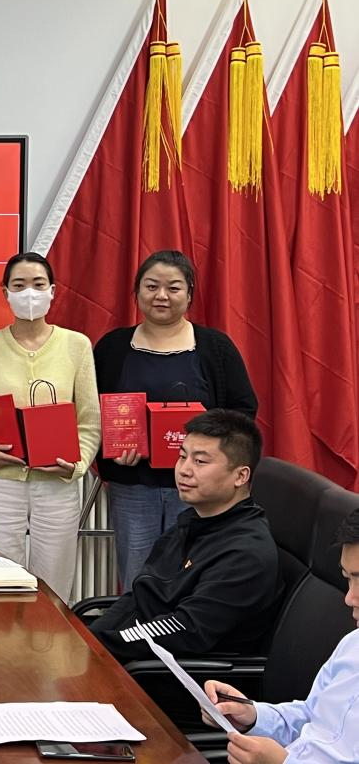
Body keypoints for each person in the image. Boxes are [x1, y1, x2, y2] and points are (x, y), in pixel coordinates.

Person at [95, 250, 257, 587]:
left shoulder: (215, 347)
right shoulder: (113, 347)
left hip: (200, 486)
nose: (162, 296)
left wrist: (210, 451)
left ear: (190, 293)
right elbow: (91, 410)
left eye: (173, 287)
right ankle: (135, 625)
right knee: (137, 577)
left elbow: (244, 410)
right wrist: (111, 448)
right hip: (133, 485)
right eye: (152, 286)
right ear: (137, 290)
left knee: (192, 578)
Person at [0, 251, 100, 601]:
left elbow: (89, 421)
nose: (29, 293)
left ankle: (51, 638)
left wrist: (77, 464)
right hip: (2, 482)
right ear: (5, 292)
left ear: (53, 290)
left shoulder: (76, 345)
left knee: (54, 582)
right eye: (19, 286)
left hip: (58, 483)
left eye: (38, 284)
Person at [90, 409, 279, 662]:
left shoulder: (245, 554)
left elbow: (183, 628)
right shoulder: (194, 521)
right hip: (140, 652)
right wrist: (89, 639)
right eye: (182, 457)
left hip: (179, 672)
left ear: (241, 476)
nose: (183, 470)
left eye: (200, 461)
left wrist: (101, 646)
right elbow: (142, 594)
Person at [201, 507, 359, 764]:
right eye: (347, 579)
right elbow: (310, 716)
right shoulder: (352, 643)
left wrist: (283, 762)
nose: (349, 598)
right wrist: (252, 715)